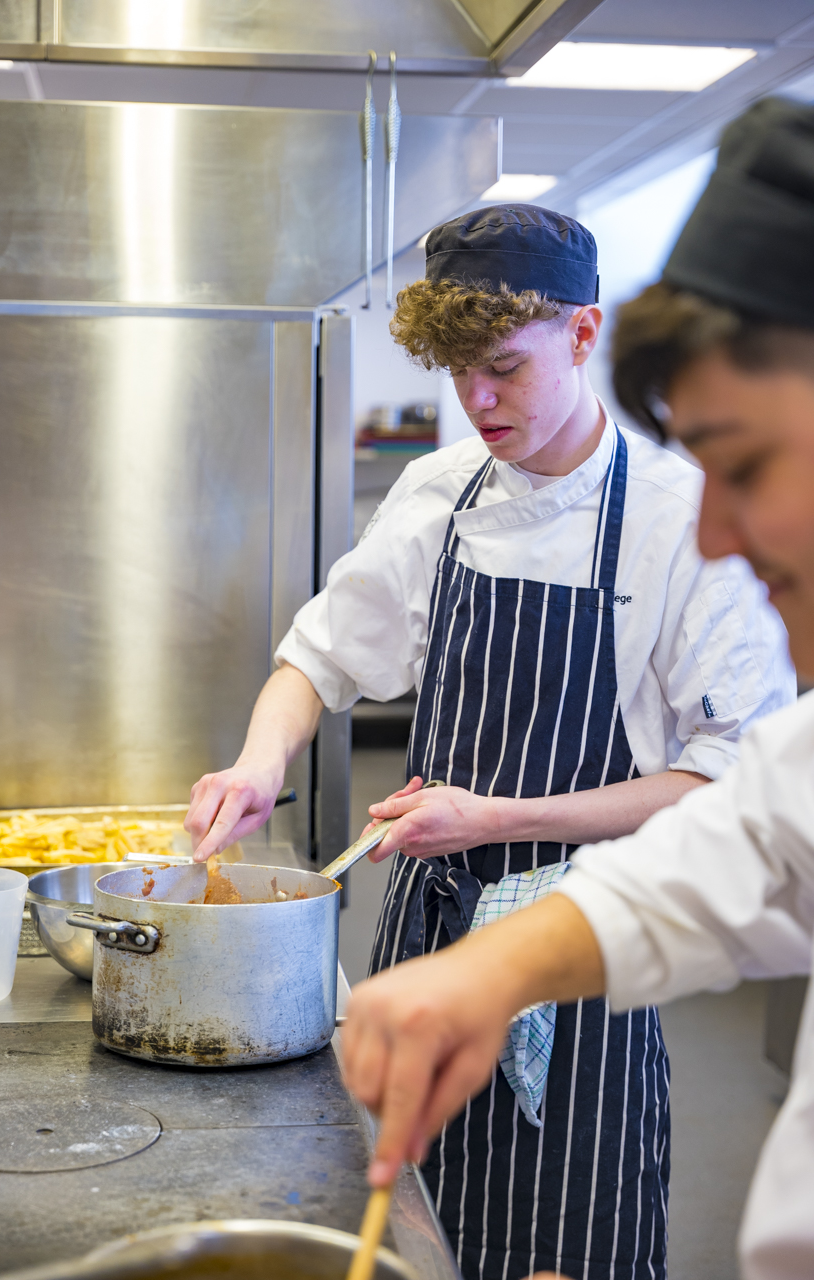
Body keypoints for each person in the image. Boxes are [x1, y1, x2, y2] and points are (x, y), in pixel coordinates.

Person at [185, 205, 794, 1280]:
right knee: (414, 1225)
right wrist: (257, 760)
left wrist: (501, 817)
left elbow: (725, 782)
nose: (475, 401)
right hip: (430, 927)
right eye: (457, 372)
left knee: (573, 1240)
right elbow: (317, 657)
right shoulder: (440, 490)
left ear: (580, 332)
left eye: (502, 368)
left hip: (591, 952)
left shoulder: (679, 516)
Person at [340, 97, 814, 1280]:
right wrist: (488, 969)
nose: (711, 531)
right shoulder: (445, 492)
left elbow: (710, 787)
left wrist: (502, 841)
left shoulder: (648, 522)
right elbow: (745, 844)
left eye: (743, 463)